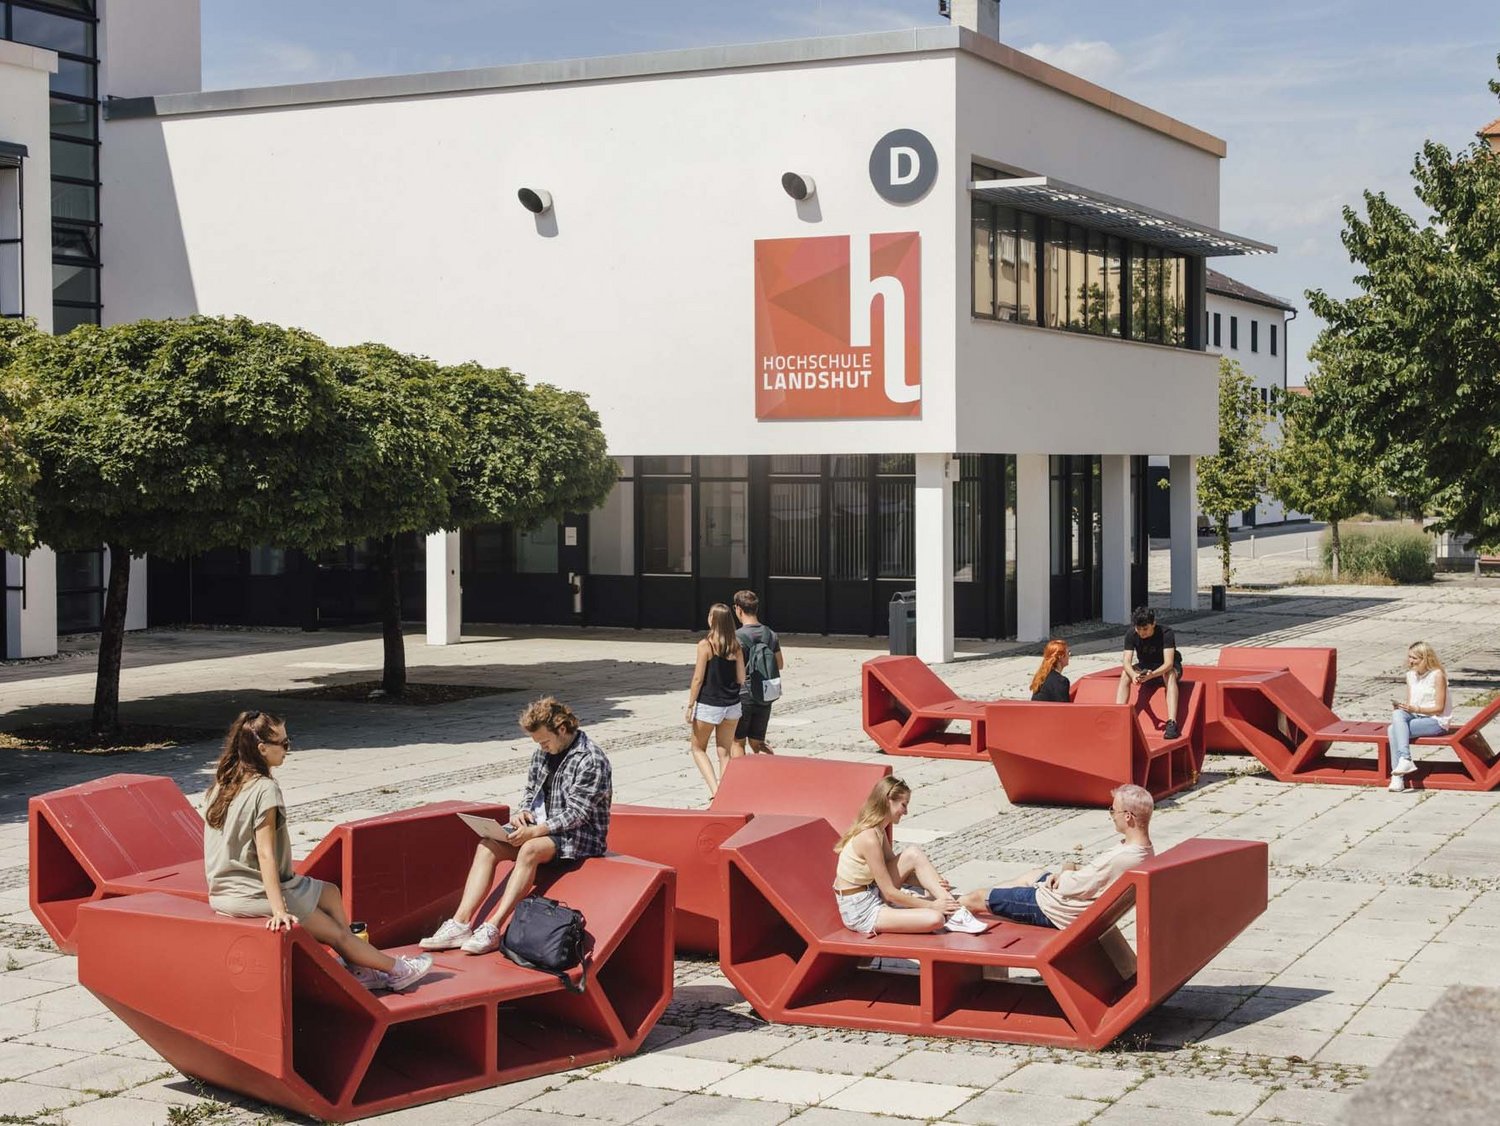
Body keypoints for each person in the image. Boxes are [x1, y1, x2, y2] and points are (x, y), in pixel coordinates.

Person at [204, 711, 433, 991]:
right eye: (284, 744)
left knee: (330, 892)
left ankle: (360, 967)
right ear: (262, 749)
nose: (288, 750)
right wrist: (279, 910)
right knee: (336, 933)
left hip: (223, 891)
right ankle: (397, 970)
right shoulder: (264, 789)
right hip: (253, 892)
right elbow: (266, 854)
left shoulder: (223, 784)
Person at [421, 697, 612, 954]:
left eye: (545, 741)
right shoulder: (542, 753)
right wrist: (522, 813)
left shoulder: (590, 759)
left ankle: (493, 927)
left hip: (581, 836)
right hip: (543, 828)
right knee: (487, 845)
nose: (542, 748)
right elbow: (530, 792)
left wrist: (534, 831)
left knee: (530, 848)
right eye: (538, 743)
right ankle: (460, 923)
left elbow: (577, 814)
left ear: (563, 729)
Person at [961, 783, 1155, 928]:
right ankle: (996, 898)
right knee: (1034, 874)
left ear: (1128, 816)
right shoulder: (1143, 851)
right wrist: (1072, 870)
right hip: (1071, 904)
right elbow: (1097, 877)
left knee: (975, 898)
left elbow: (1069, 886)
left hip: (1055, 909)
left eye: (1113, 810)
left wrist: (1067, 869)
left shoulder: (1123, 856)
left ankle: (941, 909)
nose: (1112, 815)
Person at [833, 777, 985, 935]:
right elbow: (889, 892)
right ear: (888, 801)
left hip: (873, 891)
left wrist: (931, 883)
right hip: (860, 909)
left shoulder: (878, 830)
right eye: (903, 805)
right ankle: (952, 913)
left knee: (913, 853)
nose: (906, 811)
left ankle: (956, 914)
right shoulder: (869, 838)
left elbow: (899, 872)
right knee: (935, 918)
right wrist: (931, 905)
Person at [684, 602, 748, 795]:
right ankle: (727, 793)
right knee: (724, 751)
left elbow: (698, 678)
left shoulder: (706, 645)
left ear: (713, 619)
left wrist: (690, 704)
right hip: (732, 705)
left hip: (709, 705)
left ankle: (715, 790)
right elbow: (741, 678)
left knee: (698, 749)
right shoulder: (736, 646)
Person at [1387, 641, 1452, 793]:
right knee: (1397, 715)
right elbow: (1411, 703)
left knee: (1392, 730)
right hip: (1417, 716)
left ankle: (1398, 776)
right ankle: (1404, 761)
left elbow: (1439, 708)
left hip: (1436, 721)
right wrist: (1404, 708)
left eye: (1415, 658)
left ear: (1426, 659)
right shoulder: (1410, 675)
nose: (1411, 661)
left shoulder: (1437, 675)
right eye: (1409, 657)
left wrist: (1416, 708)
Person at [731, 589, 785, 756]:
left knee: (737, 742)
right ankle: (771, 771)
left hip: (743, 694)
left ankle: (742, 779)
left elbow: (732, 669)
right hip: (765, 693)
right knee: (757, 742)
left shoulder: (736, 637)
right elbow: (780, 664)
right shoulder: (770, 634)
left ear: (738, 609)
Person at [1116, 607, 1182, 739]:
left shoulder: (1166, 633)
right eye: (1138, 629)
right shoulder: (1131, 634)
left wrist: (1153, 675)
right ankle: (1118, 715)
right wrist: (1134, 675)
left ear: (1153, 623)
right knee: (1125, 674)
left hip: (1165, 666)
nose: (1141, 633)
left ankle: (1172, 722)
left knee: (1169, 674)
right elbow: (1126, 662)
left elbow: (1168, 663)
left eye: (1145, 629)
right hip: (1145, 666)